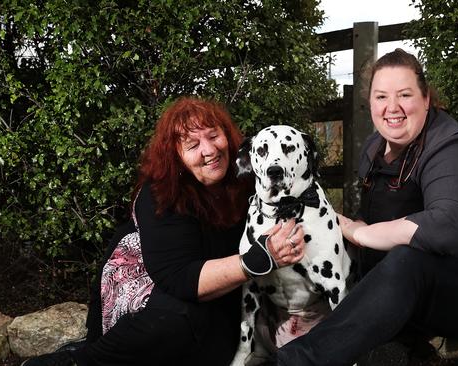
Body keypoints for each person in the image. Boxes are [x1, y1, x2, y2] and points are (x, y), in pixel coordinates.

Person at [277, 49, 458, 366]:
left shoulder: (455, 148)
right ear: (371, 103)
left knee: (407, 259)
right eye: (381, 97)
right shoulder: (374, 148)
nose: (392, 108)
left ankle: (297, 361)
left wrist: (358, 233)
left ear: (426, 99)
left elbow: (445, 227)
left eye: (404, 95)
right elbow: (375, 220)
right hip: (405, 288)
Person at [22, 96, 306, 366]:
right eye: (192, 145)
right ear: (176, 156)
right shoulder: (163, 194)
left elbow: (304, 206)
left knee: (221, 339)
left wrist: (350, 228)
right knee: (180, 316)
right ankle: (81, 360)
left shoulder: (252, 177)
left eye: (213, 135)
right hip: (153, 302)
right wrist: (258, 259)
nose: (209, 150)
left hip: (220, 302)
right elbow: (180, 279)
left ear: (227, 134)